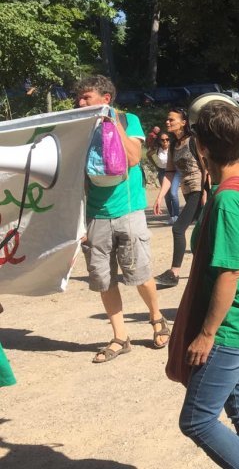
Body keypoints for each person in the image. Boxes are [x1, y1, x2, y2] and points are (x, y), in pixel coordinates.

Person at [178, 100, 239, 469]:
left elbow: (229, 273)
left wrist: (206, 334)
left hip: (233, 327)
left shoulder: (228, 201)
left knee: (197, 420)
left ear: (201, 148)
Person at [75, 75, 170, 363]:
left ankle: (157, 318)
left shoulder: (129, 121)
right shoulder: (78, 128)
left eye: (86, 97)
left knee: (139, 273)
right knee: (103, 279)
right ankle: (119, 337)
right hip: (95, 213)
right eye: (79, 97)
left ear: (105, 99)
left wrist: (112, 122)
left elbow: (131, 159)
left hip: (128, 209)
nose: (80, 102)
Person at [154, 108, 207, 287]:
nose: (167, 122)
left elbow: (205, 166)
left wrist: (206, 191)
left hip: (198, 190)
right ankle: (208, 269)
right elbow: (169, 172)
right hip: (188, 191)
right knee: (205, 232)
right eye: (167, 120)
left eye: (172, 119)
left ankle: (174, 273)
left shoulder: (193, 140)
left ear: (184, 122)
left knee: (178, 229)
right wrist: (160, 196)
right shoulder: (173, 146)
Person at [146, 130, 180, 224]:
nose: (165, 142)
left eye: (167, 139)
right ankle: (172, 216)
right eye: (163, 140)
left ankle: (177, 216)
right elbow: (148, 155)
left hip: (174, 172)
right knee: (167, 196)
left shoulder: (174, 148)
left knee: (173, 193)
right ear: (159, 141)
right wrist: (156, 165)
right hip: (162, 172)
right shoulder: (157, 149)